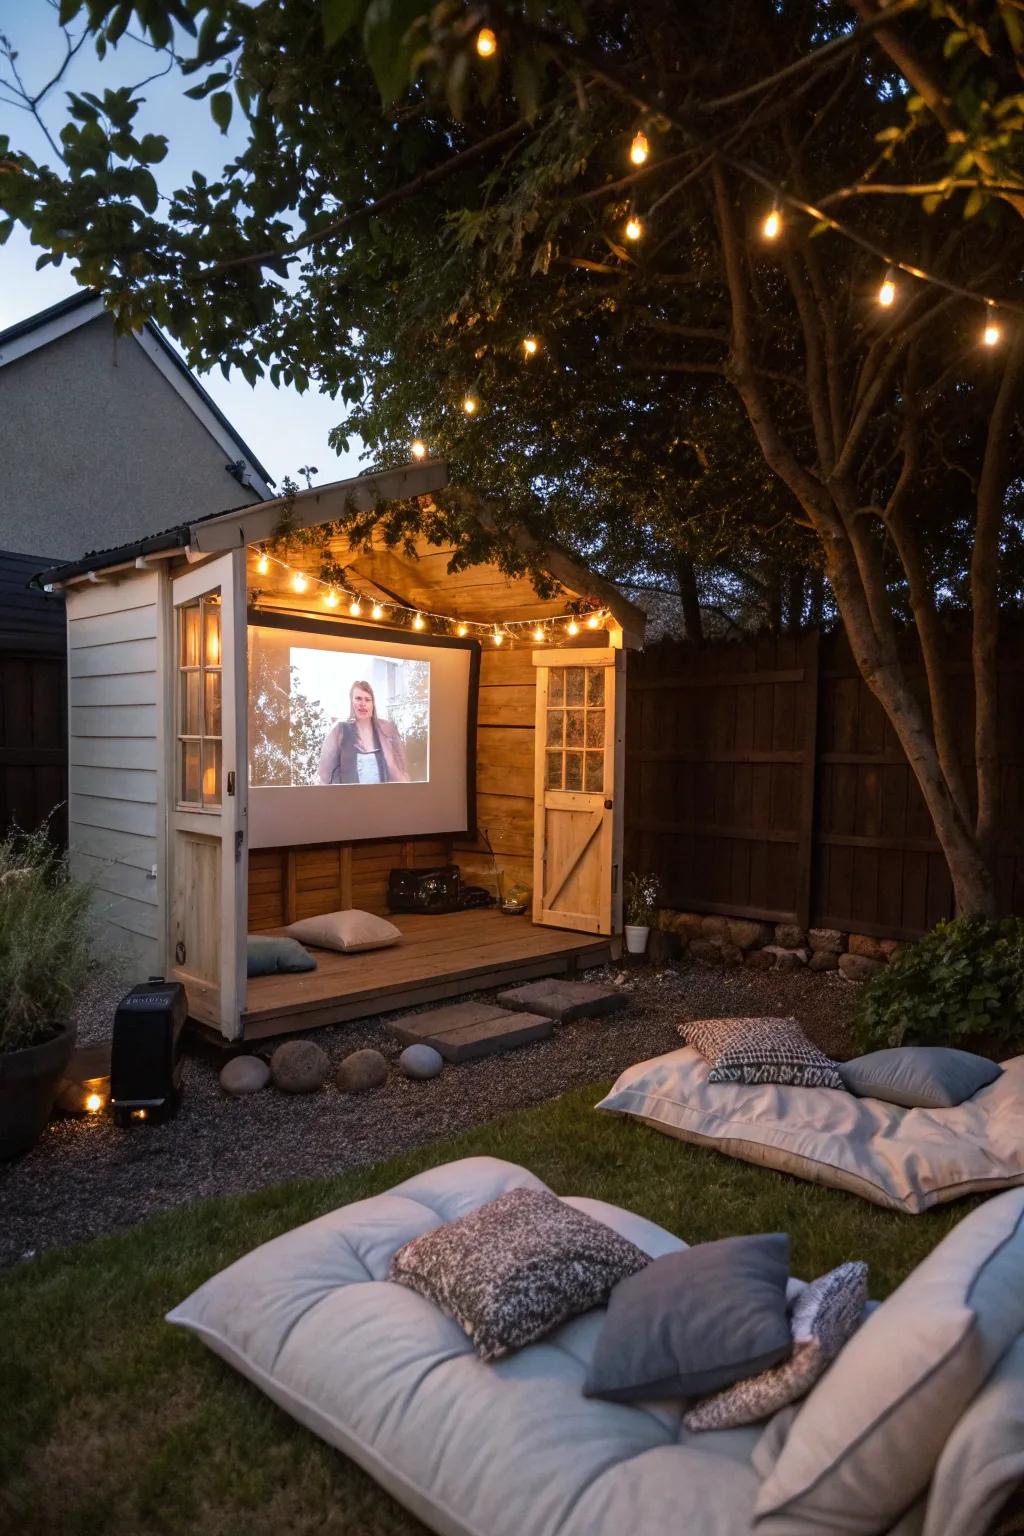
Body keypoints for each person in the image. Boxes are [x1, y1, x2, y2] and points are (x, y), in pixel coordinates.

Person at [317, 679, 410, 785]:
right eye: (358, 698)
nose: (363, 704)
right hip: (348, 799)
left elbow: (402, 771)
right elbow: (324, 776)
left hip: (384, 799)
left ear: (373, 704)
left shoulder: (387, 730)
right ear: (351, 702)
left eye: (367, 699)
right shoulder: (339, 730)